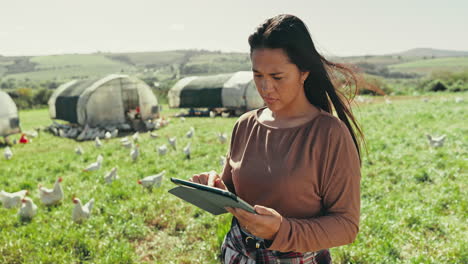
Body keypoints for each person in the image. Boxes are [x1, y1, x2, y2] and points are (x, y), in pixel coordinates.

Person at [190, 14, 363, 264]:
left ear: (304, 72)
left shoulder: (329, 134)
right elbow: (235, 193)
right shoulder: (245, 125)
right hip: (239, 253)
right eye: (258, 75)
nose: (265, 87)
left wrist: (281, 230)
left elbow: (346, 226)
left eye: (277, 77)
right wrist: (214, 187)